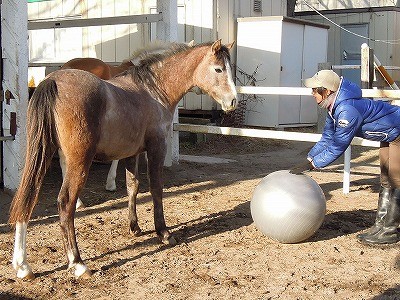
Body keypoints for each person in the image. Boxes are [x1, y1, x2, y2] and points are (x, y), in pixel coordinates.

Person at [290, 69, 400, 245]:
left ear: (328, 91)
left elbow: (338, 145)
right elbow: (327, 137)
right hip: (390, 135)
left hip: (397, 134)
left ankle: (389, 231)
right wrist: (309, 158)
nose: (312, 93)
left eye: (315, 90)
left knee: (396, 180)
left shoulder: (346, 110)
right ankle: (380, 226)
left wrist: (314, 165)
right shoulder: (334, 107)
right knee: (386, 180)